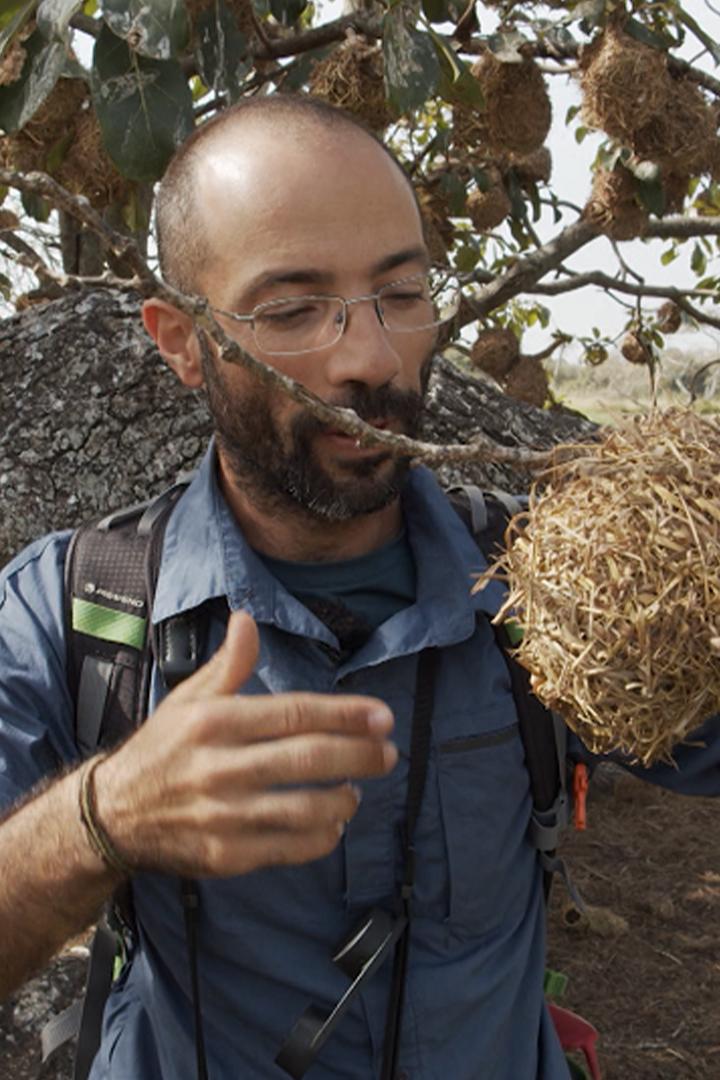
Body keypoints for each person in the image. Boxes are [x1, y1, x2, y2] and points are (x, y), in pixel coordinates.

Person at [0, 95, 718, 1080]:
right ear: (180, 342)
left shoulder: (547, 583)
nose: (371, 358)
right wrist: (102, 817)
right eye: (294, 308)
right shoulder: (78, 610)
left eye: (402, 292)